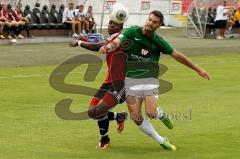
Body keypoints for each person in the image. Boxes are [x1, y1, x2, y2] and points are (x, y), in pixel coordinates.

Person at [100, 10, 210, 150]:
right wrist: (108, 46)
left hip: (149, 79)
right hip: (131, 79)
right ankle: (162, 140)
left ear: (159, 25)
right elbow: (116, 42)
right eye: (150, 20)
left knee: (151, 113)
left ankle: (160, 114)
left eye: (154, 22)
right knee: (136, 117)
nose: (150, 23)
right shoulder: (132, 31)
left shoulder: (158, 41)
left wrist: (198, 69)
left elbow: (177, 55)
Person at [69, 19, 128, 149]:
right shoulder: (112, 38)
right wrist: (83, 40)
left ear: (121, 26)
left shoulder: (120, 38)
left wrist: (80, 42)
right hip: (108, 81)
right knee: (92, 112)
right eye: (110, 23)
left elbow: (97, 46)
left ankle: (105, 140)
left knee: (100, 110)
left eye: (115, 23)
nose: (111, 25)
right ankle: (119, 116)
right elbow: (99, 44)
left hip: (120, 84)